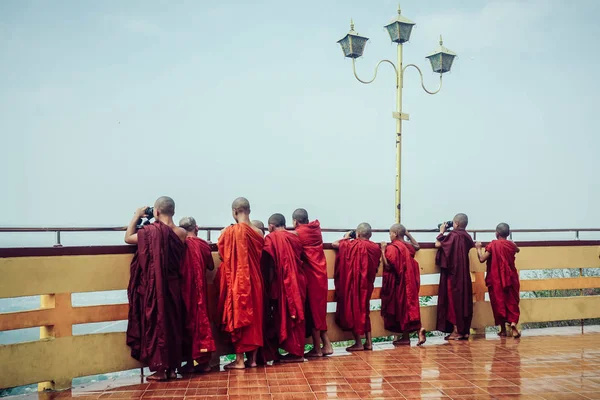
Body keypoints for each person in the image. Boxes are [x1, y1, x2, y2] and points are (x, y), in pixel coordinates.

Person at [125, 196, 187, 381]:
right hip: (174, 286)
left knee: (157, 324)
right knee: (173, 324)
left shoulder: (149, 232)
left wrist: (137, 215)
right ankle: (174, 368)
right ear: (173, 212)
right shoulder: (181, 232)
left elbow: (128, 238)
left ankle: (161, 370)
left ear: (156, 212)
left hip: (155, 287)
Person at [215, 197, 264, 369]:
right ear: (249, 210)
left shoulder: (229, 232)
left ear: (234, 212)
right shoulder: (258, 232)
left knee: (239, 315)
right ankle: (253, 360)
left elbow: (222, 255)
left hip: (238, 280)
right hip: (255, 280)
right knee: (255, 318)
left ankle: (239, 360)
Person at [260, 213, 306, 363]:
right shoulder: (295, 237)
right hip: (298, 281)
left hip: (281, 283)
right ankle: (296, 351)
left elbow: (268, 264)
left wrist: (269, 282)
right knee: (296, 315)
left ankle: (296, 354)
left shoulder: (271, 238)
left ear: (271, 226)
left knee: (283, 315)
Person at [332, 222, 381, 351]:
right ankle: (369, 342)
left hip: (353, 284)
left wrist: (347, 237)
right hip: (367, 284)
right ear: (370, 235)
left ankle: (359, 343)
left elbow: (334, 244)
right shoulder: (375, 248)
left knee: (353, 310)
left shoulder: (351, 244)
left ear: (357, 234)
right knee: (365, 310)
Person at [292, 208, 333, 358]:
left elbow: (286, 239)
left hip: (312, 278)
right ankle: (326, 345)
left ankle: (317, 348)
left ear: (295, 221)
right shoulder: (316, 230)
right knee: (319, 313)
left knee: (315, 313)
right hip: (321, 275)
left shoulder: (299, 233)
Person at [178, 217, 216, 373]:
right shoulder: (203, 245)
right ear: (197, 228)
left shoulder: (179, 244)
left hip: (183, 290)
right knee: (201, 323)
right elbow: (211, 266)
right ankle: (204, 362)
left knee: (186, 324)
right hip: (200, 291)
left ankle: (188, 362)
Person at [380, 224, 426, 346]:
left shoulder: (392, 248)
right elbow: (417, 246)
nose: (389, 236)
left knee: (402, 309)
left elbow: (389, 266)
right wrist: (407, 234)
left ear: (395, 234)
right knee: (408, 308)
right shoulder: (406, 245)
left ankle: (412, 333)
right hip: (409, 281)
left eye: (390, 233)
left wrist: (383, 251)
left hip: (399, 282)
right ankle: (411, 334)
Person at [475, 223, 521, 338]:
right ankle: (513, 323)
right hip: (511, 278)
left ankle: (503, 330)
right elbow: (517, 249)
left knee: (498, 302)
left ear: (497, 233)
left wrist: (479, 248)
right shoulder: (511, 245)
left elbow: (482, 259)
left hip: (496, 279)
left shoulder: (492, 245)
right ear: (508, 234)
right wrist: (513, 244)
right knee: (512, 301)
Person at [435, 213, 475, 341]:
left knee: (454, 301)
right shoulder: (467, 236)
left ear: (456, 224)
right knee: (464, 301)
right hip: (464, 274)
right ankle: (465, 331)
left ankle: (457, 330)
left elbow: (438, 245)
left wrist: (442, 232)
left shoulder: (453, 236)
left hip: (453, 274)